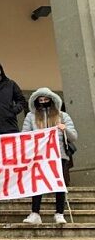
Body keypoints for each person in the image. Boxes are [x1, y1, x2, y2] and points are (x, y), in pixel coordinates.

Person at [22, 88, 77, 224]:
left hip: (59, 155)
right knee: (37, 184)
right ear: (36, 102)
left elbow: (74, 136)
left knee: (59, 184)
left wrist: (65, 129)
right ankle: (35, 213)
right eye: (40, 100)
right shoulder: (31, 116)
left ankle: (59, 213)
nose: (43, 102)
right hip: (39, 156)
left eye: (46, 100)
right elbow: (24, 135)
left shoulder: (62, 116)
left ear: (52, 100)